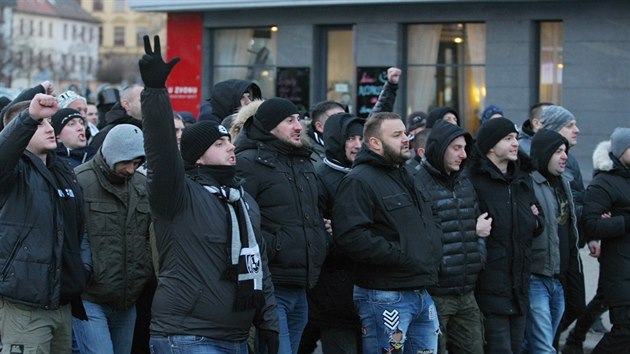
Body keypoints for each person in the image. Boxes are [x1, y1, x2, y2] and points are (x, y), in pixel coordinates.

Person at [138, 35, 279, 354]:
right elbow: (160, 151)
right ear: (197, 156)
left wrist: (268, 322)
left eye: (229, 141)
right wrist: (155, 92)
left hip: (236, 336)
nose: (231, 147)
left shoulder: (242, 199)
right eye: (219, 144)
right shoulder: (177, 194)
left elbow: (259, 265)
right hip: (188, 335)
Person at [333, 112, 442, 353]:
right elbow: (351, 236)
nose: (406, 139)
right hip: (385, 296)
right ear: (374, 143)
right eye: (397, 135)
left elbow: (429, 221)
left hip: (421, 291)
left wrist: (432, 251)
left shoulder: (406, 175)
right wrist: (401, 254)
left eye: (405, 133)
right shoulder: (359, 181)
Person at [235, 96, 327, 354]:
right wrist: (275, 245)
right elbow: (240, 221)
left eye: (298, 119)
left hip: (302, 284)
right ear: (269, 126)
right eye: (289, 121)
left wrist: (322, 236)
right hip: (271, 285)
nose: (299, 126)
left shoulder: (302, 160)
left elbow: (309, 215)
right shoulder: (248, 162)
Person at [0, 94, 91, 353]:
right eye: (40, 123)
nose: (50, 129)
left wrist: (81, 271)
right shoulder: (12, 170)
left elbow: (78, 232)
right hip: (24, 305)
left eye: (50, 122)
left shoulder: (63, 171)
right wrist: (28, 117)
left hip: (62, 302)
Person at [72, 124, 153, 354]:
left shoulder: (141, 185)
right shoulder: (80, 180)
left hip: (128, 299)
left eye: (137, 163)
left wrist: (144, 271)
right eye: (126, 162)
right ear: (111, 155)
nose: (130, 169)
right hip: (90, 297)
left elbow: (149, 235)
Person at [468, 117, 544, 353]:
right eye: (508, 139)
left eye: (516, 139)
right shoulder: (474, 181)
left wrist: (537, 219)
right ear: (491, 145)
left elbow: (535, 222)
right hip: (490, 288)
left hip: (519, 287)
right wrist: (474, 228)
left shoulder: (521, 179)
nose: (515, 144)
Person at [414, 119, 490, 354]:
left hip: (466, 291)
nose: (463, 154)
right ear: (439, 148)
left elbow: (478, 225)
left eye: (465, 148)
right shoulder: (416, 182)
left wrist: (478, 256)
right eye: (456, 148)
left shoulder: (464, 182)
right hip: (435, 294)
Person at [304, 112, 365, 354]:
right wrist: (345, 235)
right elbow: (317, 240)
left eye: (361, 138)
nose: (357, 145)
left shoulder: (367, 175)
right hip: (334, 298)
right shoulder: (319, 179)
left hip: (366, 291)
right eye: (350, 138)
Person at [523, 129, 580, 354]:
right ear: (545, 153)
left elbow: (568, 230)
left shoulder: (564, 183)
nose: (565, 156)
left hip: (559, 277)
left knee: (538, 343)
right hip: (536, 277)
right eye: (558, 151)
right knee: (543, 347)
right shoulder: (528, 183)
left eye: (565, 150)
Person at [582, 127, 630, 353]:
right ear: (621, 151)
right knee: (624, 330)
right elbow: (591, 224)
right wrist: (625, 221)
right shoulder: (603, 182)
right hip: (619, 269)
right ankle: (574, 340)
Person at [90, 84, 143, 150]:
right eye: (142, 100)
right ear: (126, 104)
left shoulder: (154, 128)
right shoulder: (106, 135)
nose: (148, 103)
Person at [306, 100, 346, 168]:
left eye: (345, 119)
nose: (344, 124)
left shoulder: (355, 145)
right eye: (336, 120)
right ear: (319, 126)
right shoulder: (306, 154)